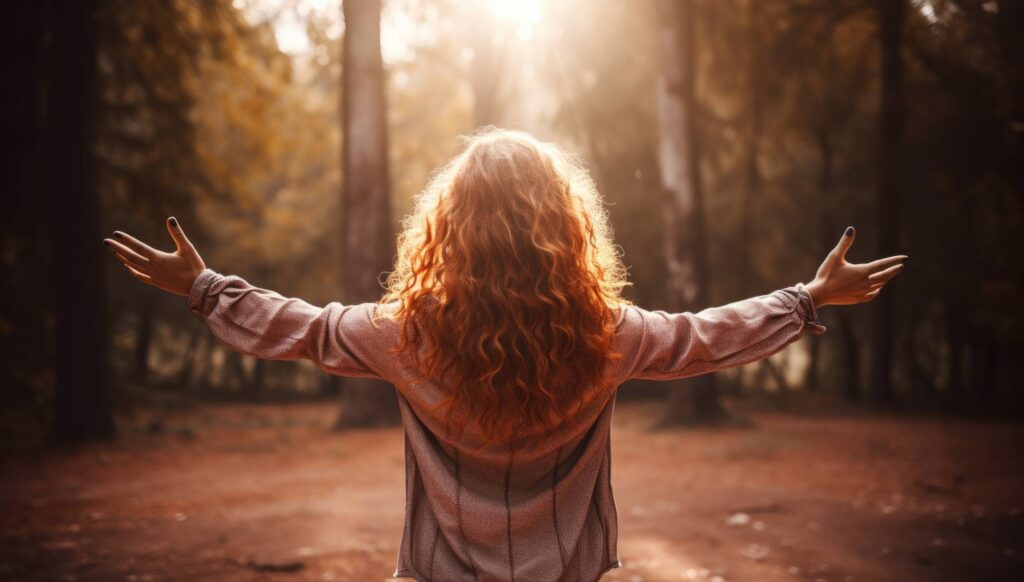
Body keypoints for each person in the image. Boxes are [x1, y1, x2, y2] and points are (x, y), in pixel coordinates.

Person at [102, 128, 907, 582]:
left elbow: (304, 327)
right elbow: (702, 337)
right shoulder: (607, 335)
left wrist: (206, 287)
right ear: (567, 230)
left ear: (447, 229)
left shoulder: (404, 332)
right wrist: (802, 300)